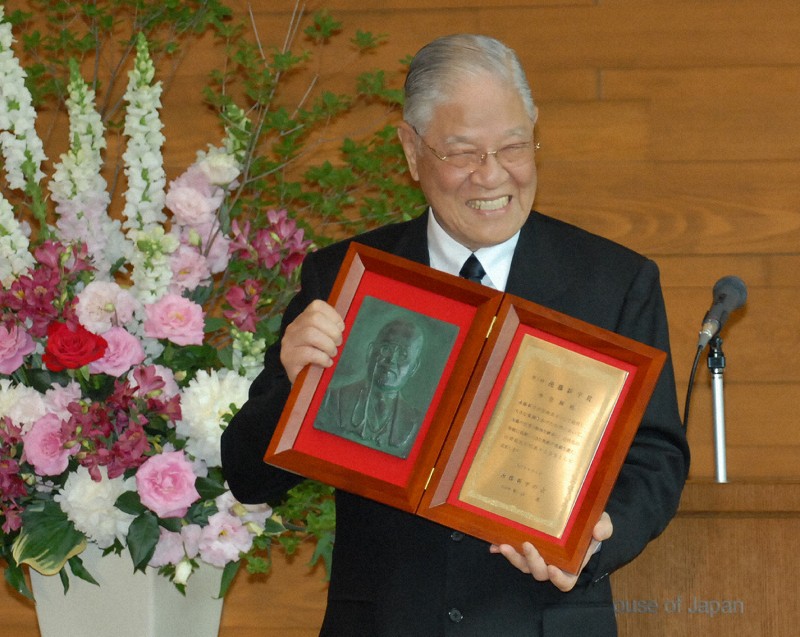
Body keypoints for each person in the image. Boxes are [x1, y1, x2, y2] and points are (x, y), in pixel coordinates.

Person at [221, 33, 689, 637]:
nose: (492, 176)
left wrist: (594, 542)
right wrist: (294, 380)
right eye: (463, 152)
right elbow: (250, 477)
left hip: (543, 619)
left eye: (514, 146)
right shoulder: (346, 278)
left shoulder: (615, 281)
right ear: (412, 152)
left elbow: (656, 458)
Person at [314, 317, 426, 458]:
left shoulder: (417, 422)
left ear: (414, 368)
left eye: (403, 354)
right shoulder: (332, 399)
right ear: (370, 351)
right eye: (386, 349)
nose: (391, 359)